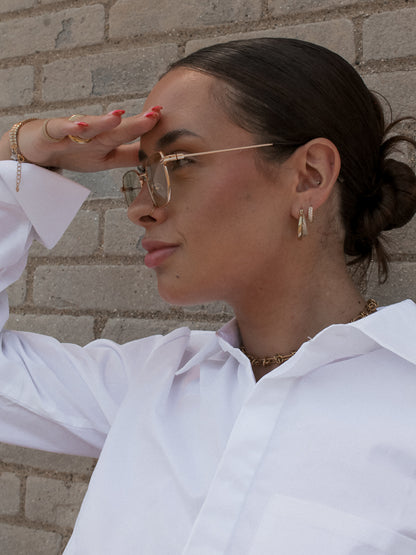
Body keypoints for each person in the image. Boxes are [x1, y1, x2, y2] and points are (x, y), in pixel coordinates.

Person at [0, 38, 416, 554]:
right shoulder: (150, 383)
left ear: (308, 176)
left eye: (177, 163)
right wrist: (21, 157)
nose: (141, 208)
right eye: (143, 172)